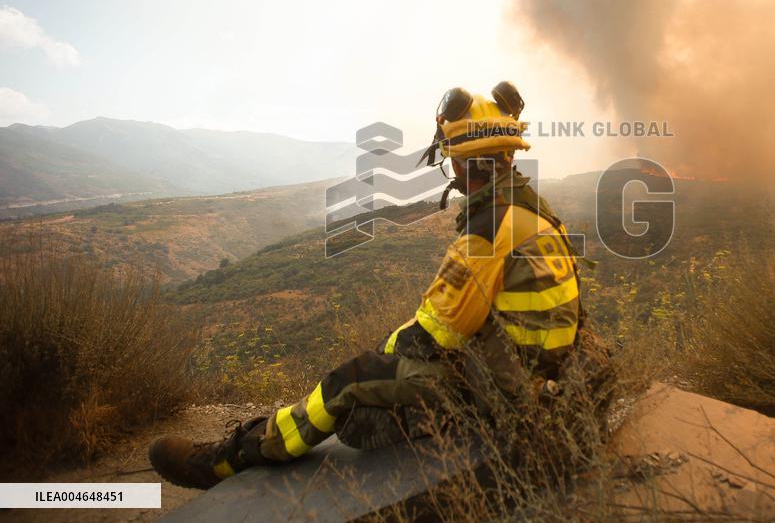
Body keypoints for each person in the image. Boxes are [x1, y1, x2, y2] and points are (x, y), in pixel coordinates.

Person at [149, 83, 585, 489]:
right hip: (532, 368)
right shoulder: (532, 209)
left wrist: (383, 355)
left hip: (502, 384)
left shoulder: (488, 230)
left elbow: (441, 329)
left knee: (349, 380)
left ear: (459, 161)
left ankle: (233, 459)